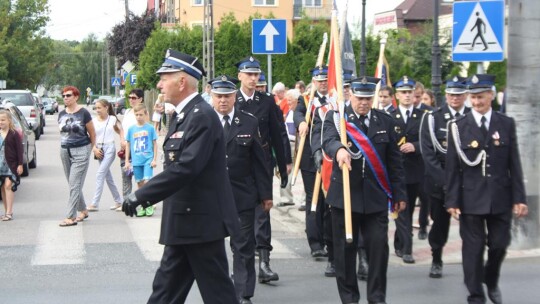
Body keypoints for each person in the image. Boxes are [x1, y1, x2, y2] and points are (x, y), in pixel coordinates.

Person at [121, 49, 239, 303]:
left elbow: (186, 167)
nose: (159, 84)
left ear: (182, 81)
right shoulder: (183, 115)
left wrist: (142, 195)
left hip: (200, 223)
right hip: (186, 221)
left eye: (164, 77)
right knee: (165, 290)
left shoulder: (202, 117)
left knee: (217, 293)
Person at [322, 76, 407, 304]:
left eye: (369, 98)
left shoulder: (385, 121)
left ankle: (377, 298)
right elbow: (328, 140)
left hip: (375, 198)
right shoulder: (337, 118)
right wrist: (339, 149)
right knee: (345, 252)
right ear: (351, 95)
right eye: (360, 98)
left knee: (379, 250)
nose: (364, 103)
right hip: (345, 198)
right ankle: (349, 299)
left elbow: (394, 162)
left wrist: (399, 194)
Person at [446, 74, 528, 304]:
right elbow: (452, 168)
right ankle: (475, 294)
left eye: (480, 97)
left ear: (491, 95)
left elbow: (515, 162)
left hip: (501, 195)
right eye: (473, 97)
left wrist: (519, 198)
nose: (476, 102)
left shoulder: (506, 123)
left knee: (500, 245)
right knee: (473, 249)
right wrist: (451, 200)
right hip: (470, 197)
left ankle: (490, 280)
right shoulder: (458, 127)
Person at [210, 75, 272, 304]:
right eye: (219, 96)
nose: (223, 100)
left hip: (242, 195)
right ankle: (218, 292)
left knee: (243, 246)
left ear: (234, 96)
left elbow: (260, 161)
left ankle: (243, 293)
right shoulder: (204, 121)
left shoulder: (249, 122)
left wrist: (265, 195)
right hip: (212, 196)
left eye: (227, 96)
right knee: (211, 248)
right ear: (212, 97)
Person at [234, 56, 290, 284]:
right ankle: (240, 267)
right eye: (249, 74)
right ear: (240, 76)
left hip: (262, 165)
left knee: (262, 212)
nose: (253, 78)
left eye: (256, 74)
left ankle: (264, 263)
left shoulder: (267, 101)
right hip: (237, 167)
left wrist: (284, 166)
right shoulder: (231, 99)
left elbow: (278, 134)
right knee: (239, 217)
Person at [420, 76, 469, 278]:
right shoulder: (433, 118)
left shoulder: (473, 117)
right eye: (451, 94)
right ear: (446, 95)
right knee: (439, 224)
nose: (454, 98)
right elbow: (429, 154)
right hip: (440, 183)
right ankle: (436, 258)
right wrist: (446, 182)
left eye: (458, 94)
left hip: (468, 183)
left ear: (465, 95)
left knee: (471, 226)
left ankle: (471, 262)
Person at [295, 65, 335, 276]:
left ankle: (329, 240)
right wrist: (301, 122)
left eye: (325, 80)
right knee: (314, 200)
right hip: (311, 159)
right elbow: (298, 113)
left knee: (329, 202)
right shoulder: (306, 98)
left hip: (330, 158)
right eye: (319, 80)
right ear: (313, 81)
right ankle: (315, 243)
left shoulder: (334, 99)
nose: (322, 83)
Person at [388, 76, 422, 263]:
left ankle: (399, 244)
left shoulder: (423, 116)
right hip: (397, 170)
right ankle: (407, 249)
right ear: (397, 95)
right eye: (403, 93)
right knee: (401, 209)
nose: (407, 96)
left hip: (416, 170)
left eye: (409, 92)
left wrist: (415, 146)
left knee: (408, 210)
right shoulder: (390, 117)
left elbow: (428, 141)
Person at [57, 86, 97, 227]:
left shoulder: (84, 113)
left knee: (74, 184)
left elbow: (92, 133)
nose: (65, 98)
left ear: (76, 97)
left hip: (81, 150)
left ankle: (70, 216)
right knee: (73, 184)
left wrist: (90, 149)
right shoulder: (61, 114)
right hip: (65, 150)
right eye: (63, 95)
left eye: (68, 95)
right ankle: (83, 210)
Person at [87, 99, 124, 212]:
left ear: (106, 107)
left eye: (99, 108)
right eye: (96, 108)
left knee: (100, 174)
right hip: (99, 150)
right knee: (108, 177)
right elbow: (90, 137)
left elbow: (120, 130)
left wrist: (122, 141)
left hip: (109, 149)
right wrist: (94, 149)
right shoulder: (93, 121)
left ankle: (95, 203)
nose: (97, 110)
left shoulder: (112, 119)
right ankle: (118, 201)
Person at [124, 103, 157, 217]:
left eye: (141, 114)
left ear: (146, 114)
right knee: (140, 184)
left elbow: (154, 144)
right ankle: (144, 205)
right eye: (136, 115)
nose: (139, 117)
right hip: (136, 161)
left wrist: (154, 159)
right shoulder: (131, 129)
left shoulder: (150, 128)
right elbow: (128, 145)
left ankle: (150, 204)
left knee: (147, 182)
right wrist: (127, 161)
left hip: (147, 159)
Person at [118, 88, 144, 209]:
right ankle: (126, 202)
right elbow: (122, 128)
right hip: (125, 149)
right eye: (129, 97)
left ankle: (145, 200)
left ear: (140, 99)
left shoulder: (142, 113)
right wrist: (122, 140)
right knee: (125, 175)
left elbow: (144, 130)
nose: (131, 100)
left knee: (140, 177)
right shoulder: (128, 111)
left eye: (134, 98)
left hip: (138, 149)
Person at [277, 89, 300, 208]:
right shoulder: (290, 112)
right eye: (288, 100)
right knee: (286, 169)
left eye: (291, 100)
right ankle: (286, 197)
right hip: (289, 143)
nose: (288, 102)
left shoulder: (301, 112)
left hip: (299, 144)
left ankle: (306, 199)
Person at [0, 109, 23, 221]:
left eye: (3, 120)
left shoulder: (14, 133)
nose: (1, 122)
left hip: (11, 164)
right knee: (3, 187)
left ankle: (9, 212)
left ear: (9, 121)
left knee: (9, 185)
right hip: (0, 164)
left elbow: (19, 150)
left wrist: (20, 164)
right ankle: (6, 211)